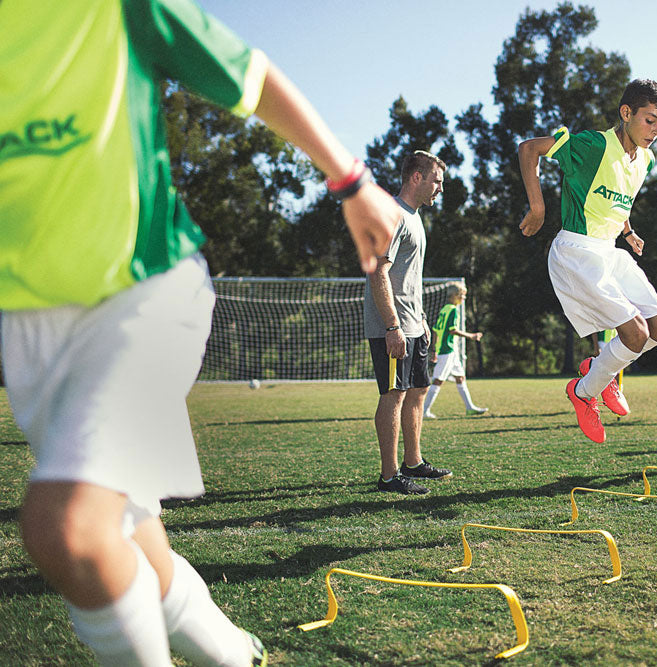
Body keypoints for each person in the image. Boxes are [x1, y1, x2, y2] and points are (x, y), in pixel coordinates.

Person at [1, 1, 401, 664]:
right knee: (134, 545)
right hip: (31, 331)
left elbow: (251, 76)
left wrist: (351, 180)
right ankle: (237, 653)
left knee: (65, 529)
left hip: (144, 294)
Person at [517, 79, 657, 443]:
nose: (655, 131)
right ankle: (584, 391)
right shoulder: (592, 144)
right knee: (635, 333)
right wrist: (539, 207)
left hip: (609, 249)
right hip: (577, 251)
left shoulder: (646, 159)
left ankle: (597, 371)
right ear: (626, 113)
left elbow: (618, 199)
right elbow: (529, 150)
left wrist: (628, 230)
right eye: (649, 120)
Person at [365, 150, 453, 495]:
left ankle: (413, 461)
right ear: (416, 177)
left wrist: (420, 319)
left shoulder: (414, 216)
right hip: (392, 326)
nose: (440, 189)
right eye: (437, 181)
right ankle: (389, 477)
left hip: (413, 324)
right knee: (394, 394)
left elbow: (408, 277)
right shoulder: (391, 215)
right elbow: (378, 271)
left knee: (418, 390)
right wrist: (392, 326)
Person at [423, 282, 488, 418]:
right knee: (438, 380)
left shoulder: (444, 309)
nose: (464, 298)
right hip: (447, 350)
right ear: (454, 296)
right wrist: (471, 335)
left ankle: (470, 408)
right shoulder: (453, 310)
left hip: (448, 351)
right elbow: (452, 330)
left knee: (460, 377)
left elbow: (435, 330)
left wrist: (434, 348)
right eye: (462, 296)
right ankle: (423, 411)